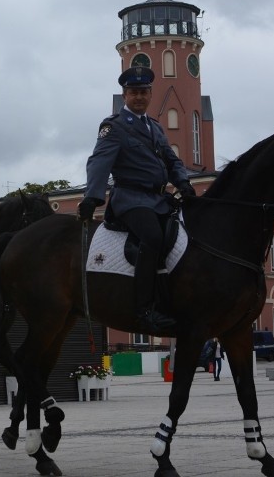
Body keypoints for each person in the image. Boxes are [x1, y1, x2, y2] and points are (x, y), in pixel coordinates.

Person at [78, 66, 195, 331]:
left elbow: (171, 159)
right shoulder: (114, 127)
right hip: (130, 199)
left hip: (158, 198)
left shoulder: (154, 127)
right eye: (134, 93)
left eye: (144, 92)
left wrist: (184, 182)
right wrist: (91, 197)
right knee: (152, 237)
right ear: (125, 95)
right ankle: (144, 310)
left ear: (150, 94)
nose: (139, 97)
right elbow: (99, 162)